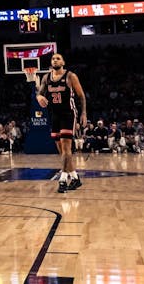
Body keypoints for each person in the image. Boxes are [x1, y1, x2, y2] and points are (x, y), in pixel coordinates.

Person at [36, 53, 87, 192]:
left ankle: (63, 180)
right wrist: (39, 97)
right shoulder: (46, 77)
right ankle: (75, 178)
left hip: (68, 114)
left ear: (63, 62)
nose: (55, 60)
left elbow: (81, 96)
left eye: (58, 58)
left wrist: (83, 113)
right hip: (55, 115)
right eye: (53, 58)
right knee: (62, 151)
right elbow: (40, 92)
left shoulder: (70, 76)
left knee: (66, 148)